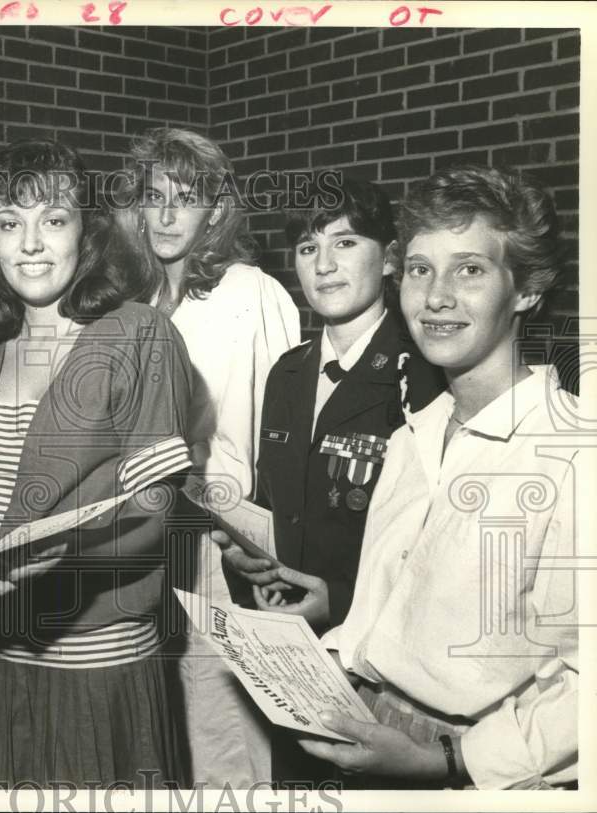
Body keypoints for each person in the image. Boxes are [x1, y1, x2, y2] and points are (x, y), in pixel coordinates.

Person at [0, 139, 195, 787]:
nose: (32, 244)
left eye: (54, 220)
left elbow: (157, 517)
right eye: (11, 223)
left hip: (98, 670)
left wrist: (71, 561)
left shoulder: (140, 335)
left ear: (87, 233)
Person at [295, 166, 578, 789]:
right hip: (371, 725)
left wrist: (447, 762)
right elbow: (380, 612)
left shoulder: (571, 454)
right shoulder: (409, 437)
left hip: (479, 764)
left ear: (526, 290)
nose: (436, 296)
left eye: (470, 269)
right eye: (420, 269)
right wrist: (319, 663)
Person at [213, 176, 444, 785]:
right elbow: (280, 507)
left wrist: (337, 600)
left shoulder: (422, 373)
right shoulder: (287, 375)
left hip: (385, 670)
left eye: (345, 243)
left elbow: (439, 542)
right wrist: (252, 558)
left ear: (391, 257)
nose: (324, 264)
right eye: (309, 247)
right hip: (291, 657)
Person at [115, 127, 301, 786]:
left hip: (224, 549)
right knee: (161, 736)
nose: (166, 215)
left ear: (215, 211)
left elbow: (284, 439)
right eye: (153, 195)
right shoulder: (132, 304)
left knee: (226, 736)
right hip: (142, 546)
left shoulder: (251, 293)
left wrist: (267, 545)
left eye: (185, 198)